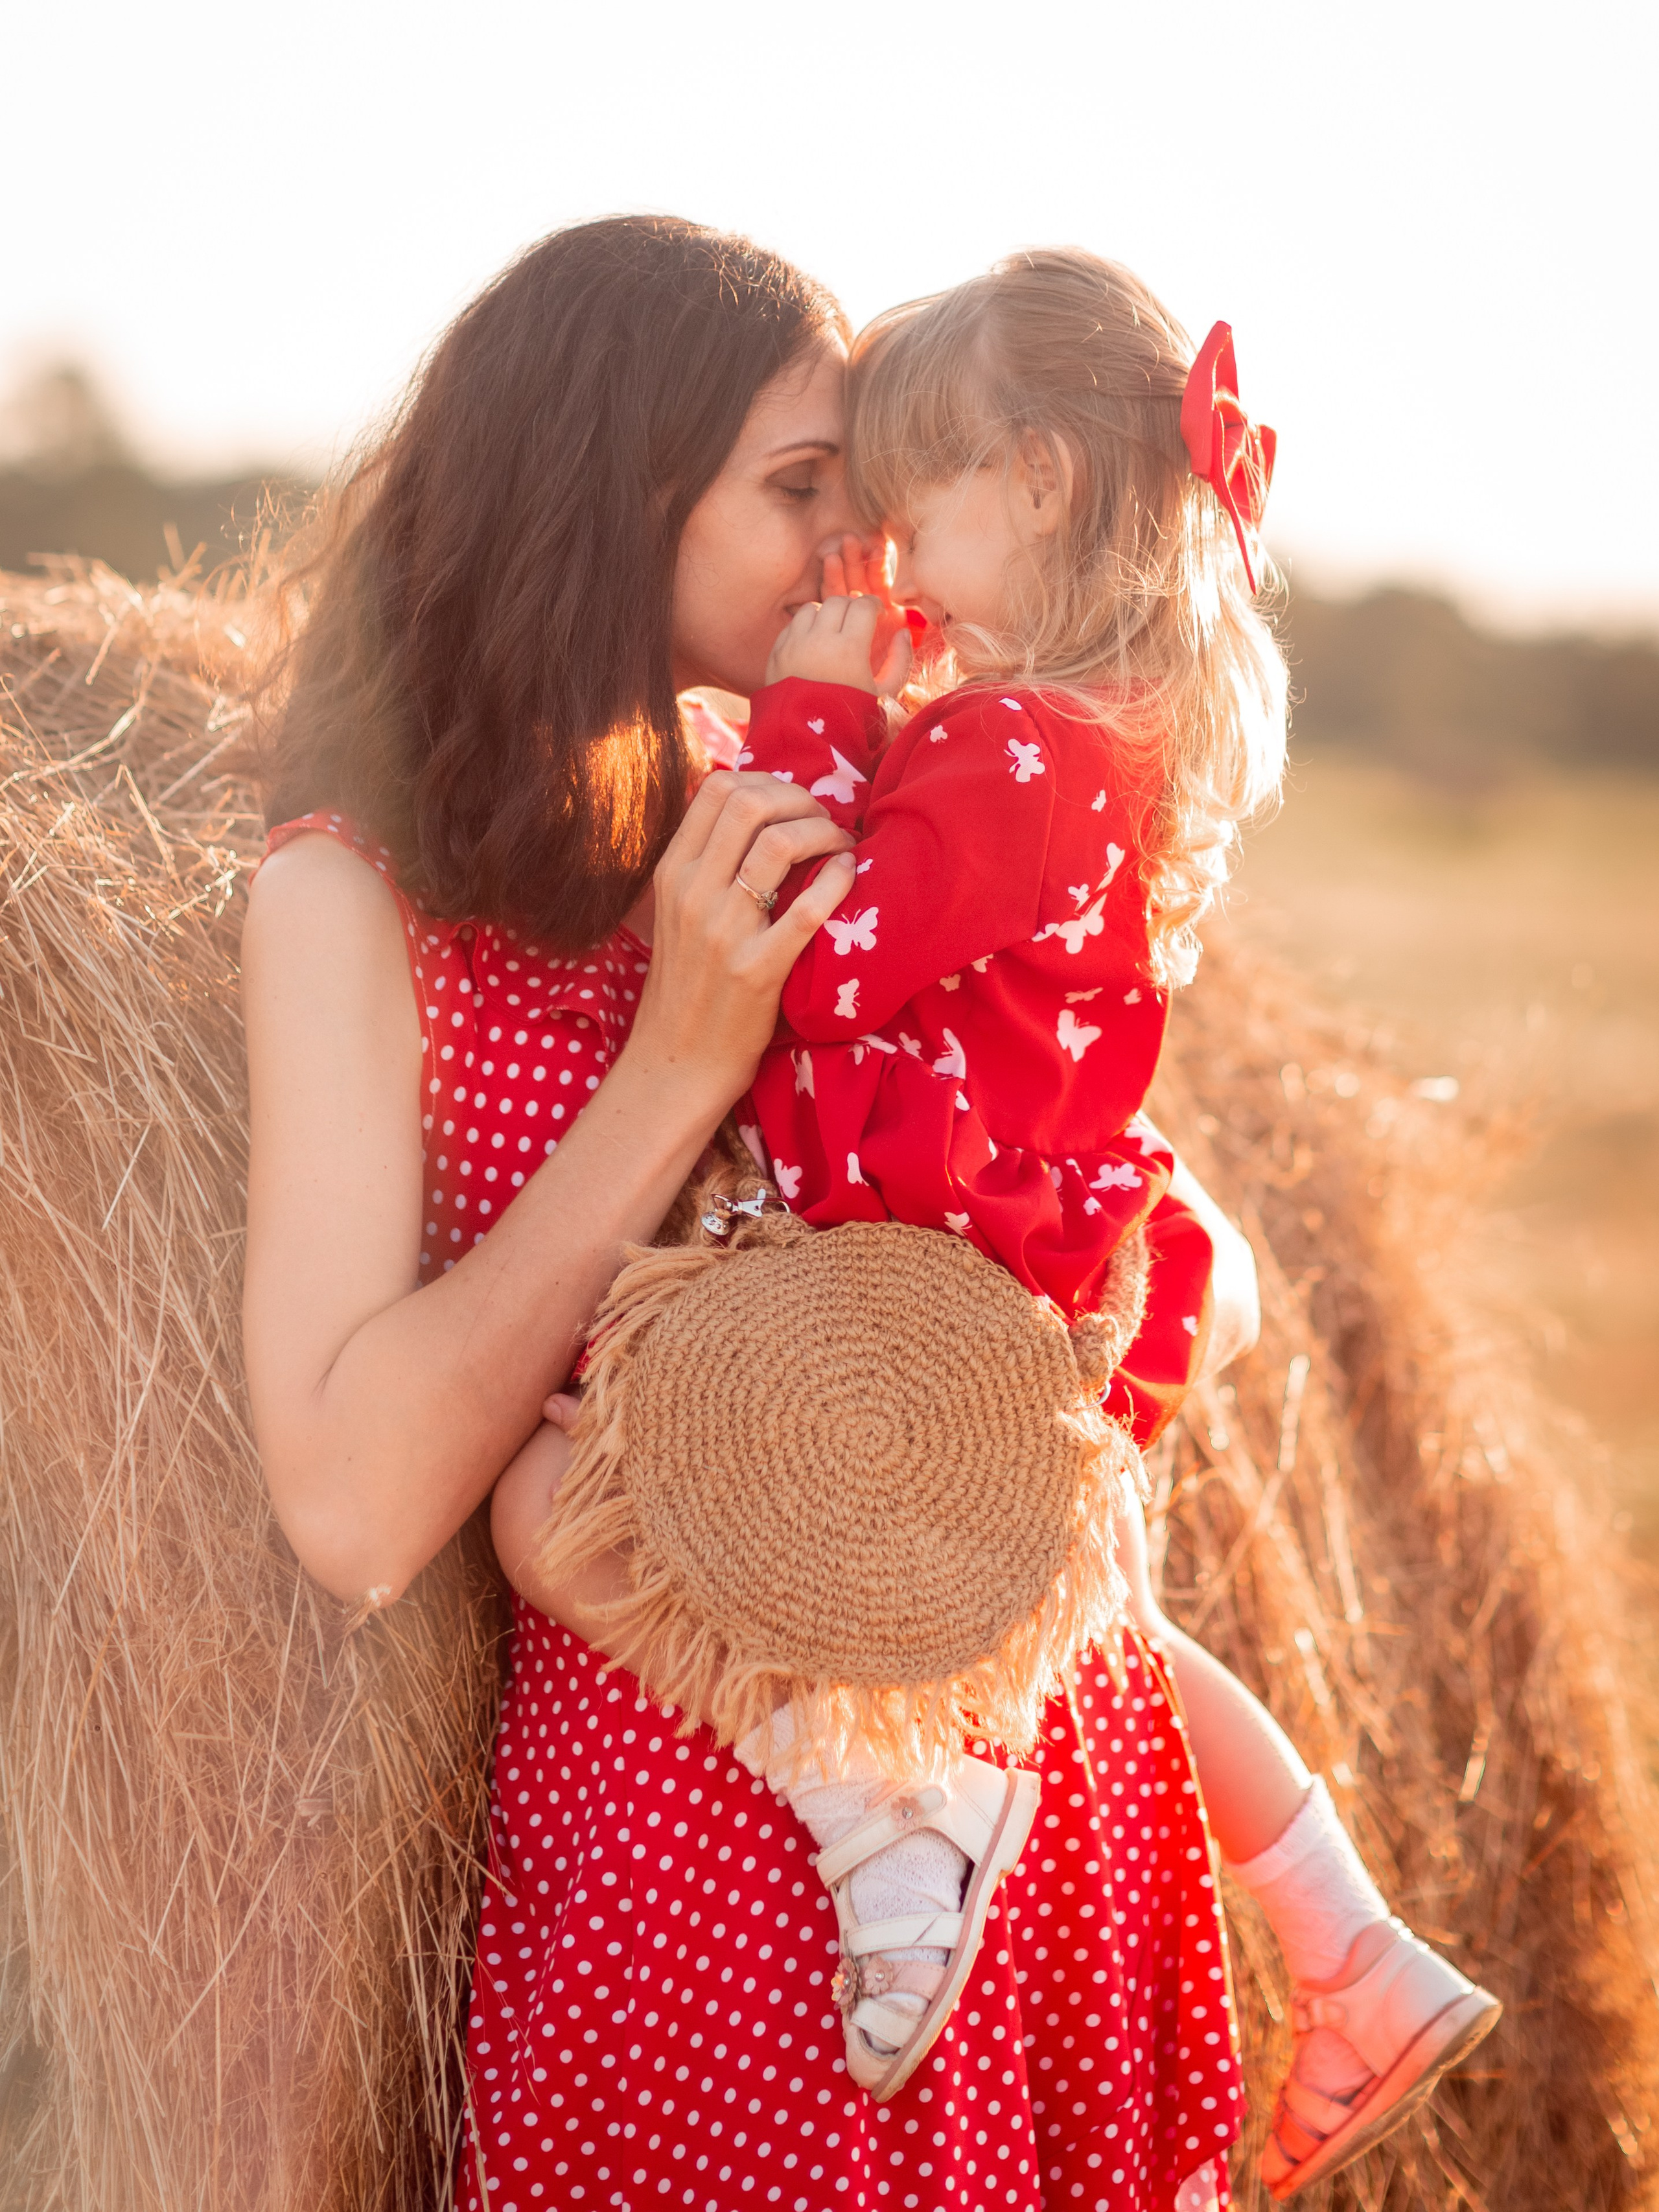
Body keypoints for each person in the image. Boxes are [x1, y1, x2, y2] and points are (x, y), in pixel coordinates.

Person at [241, 216, 1237, 2211]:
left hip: (993, 1756)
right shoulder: (347, 891)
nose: (851, 556)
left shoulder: (773, 783)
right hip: (706, 1821)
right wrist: (685, 1056)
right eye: (804, 495)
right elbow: (347, 1504)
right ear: (621, 485)